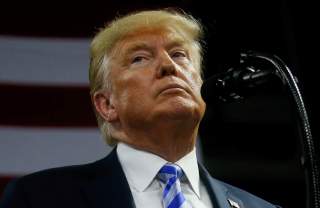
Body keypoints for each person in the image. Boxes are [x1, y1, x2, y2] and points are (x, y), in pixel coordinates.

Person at [0, 9, 281, 208]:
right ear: (107, 105)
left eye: (179, 54)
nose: (168, 66)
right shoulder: (42, 198)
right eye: (139, 58)